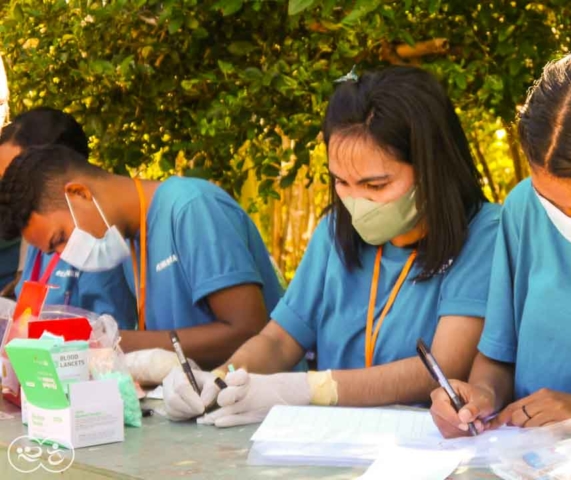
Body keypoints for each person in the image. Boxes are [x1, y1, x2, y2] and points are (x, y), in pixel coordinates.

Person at [161, 66, 501, 426]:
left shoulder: (485, 233)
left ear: (432, 168)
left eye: (376, 185)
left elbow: (441, 365)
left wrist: (309, 389)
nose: (356, 201)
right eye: (341, 182)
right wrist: (220, 378)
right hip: (328, 442)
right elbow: (278, 341)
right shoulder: (336, 230)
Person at [430, 49, 571, 438]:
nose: (564, 222)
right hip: (528, 459)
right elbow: (498, 359)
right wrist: (479, 398)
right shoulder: (525, 209)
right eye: (551, 203)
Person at [0, 143, 283, 370]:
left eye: (60, 239)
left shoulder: (190, 208)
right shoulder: (129, 245)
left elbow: (249, 331)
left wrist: (109, 341)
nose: (67, 255)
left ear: (79, 193)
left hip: (261, 411)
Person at [0, 107, 137, 329]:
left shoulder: (96, 242)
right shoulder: (39, 238)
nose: (7, 191)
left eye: (14, 175)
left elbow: (113, 336)